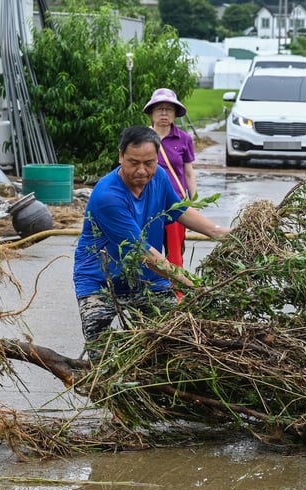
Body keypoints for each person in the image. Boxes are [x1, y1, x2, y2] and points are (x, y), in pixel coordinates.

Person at [72, 126, 230, 354]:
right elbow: (143, 252)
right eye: (134, 162)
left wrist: (218, 232)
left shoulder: (160, 178)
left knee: (172, 344)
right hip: (100, 281)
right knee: (104, 354)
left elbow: (180, 210)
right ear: (120, 156)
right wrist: (192, 285)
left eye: (149, 162)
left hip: (148, 279)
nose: (142, 171)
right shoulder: (107, 197)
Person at [143, 88, 197, 272]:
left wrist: (193, 202)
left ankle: (178, 295)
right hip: (147, 203)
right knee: (147, 251)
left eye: (169, 109)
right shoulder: (141, 138)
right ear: (151, 113)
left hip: (175, 205)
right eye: (159, 109)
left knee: (174, 255)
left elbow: (188, 173)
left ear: (175, 114)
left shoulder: (184, 139)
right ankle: (150, 291)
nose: (164, 113)